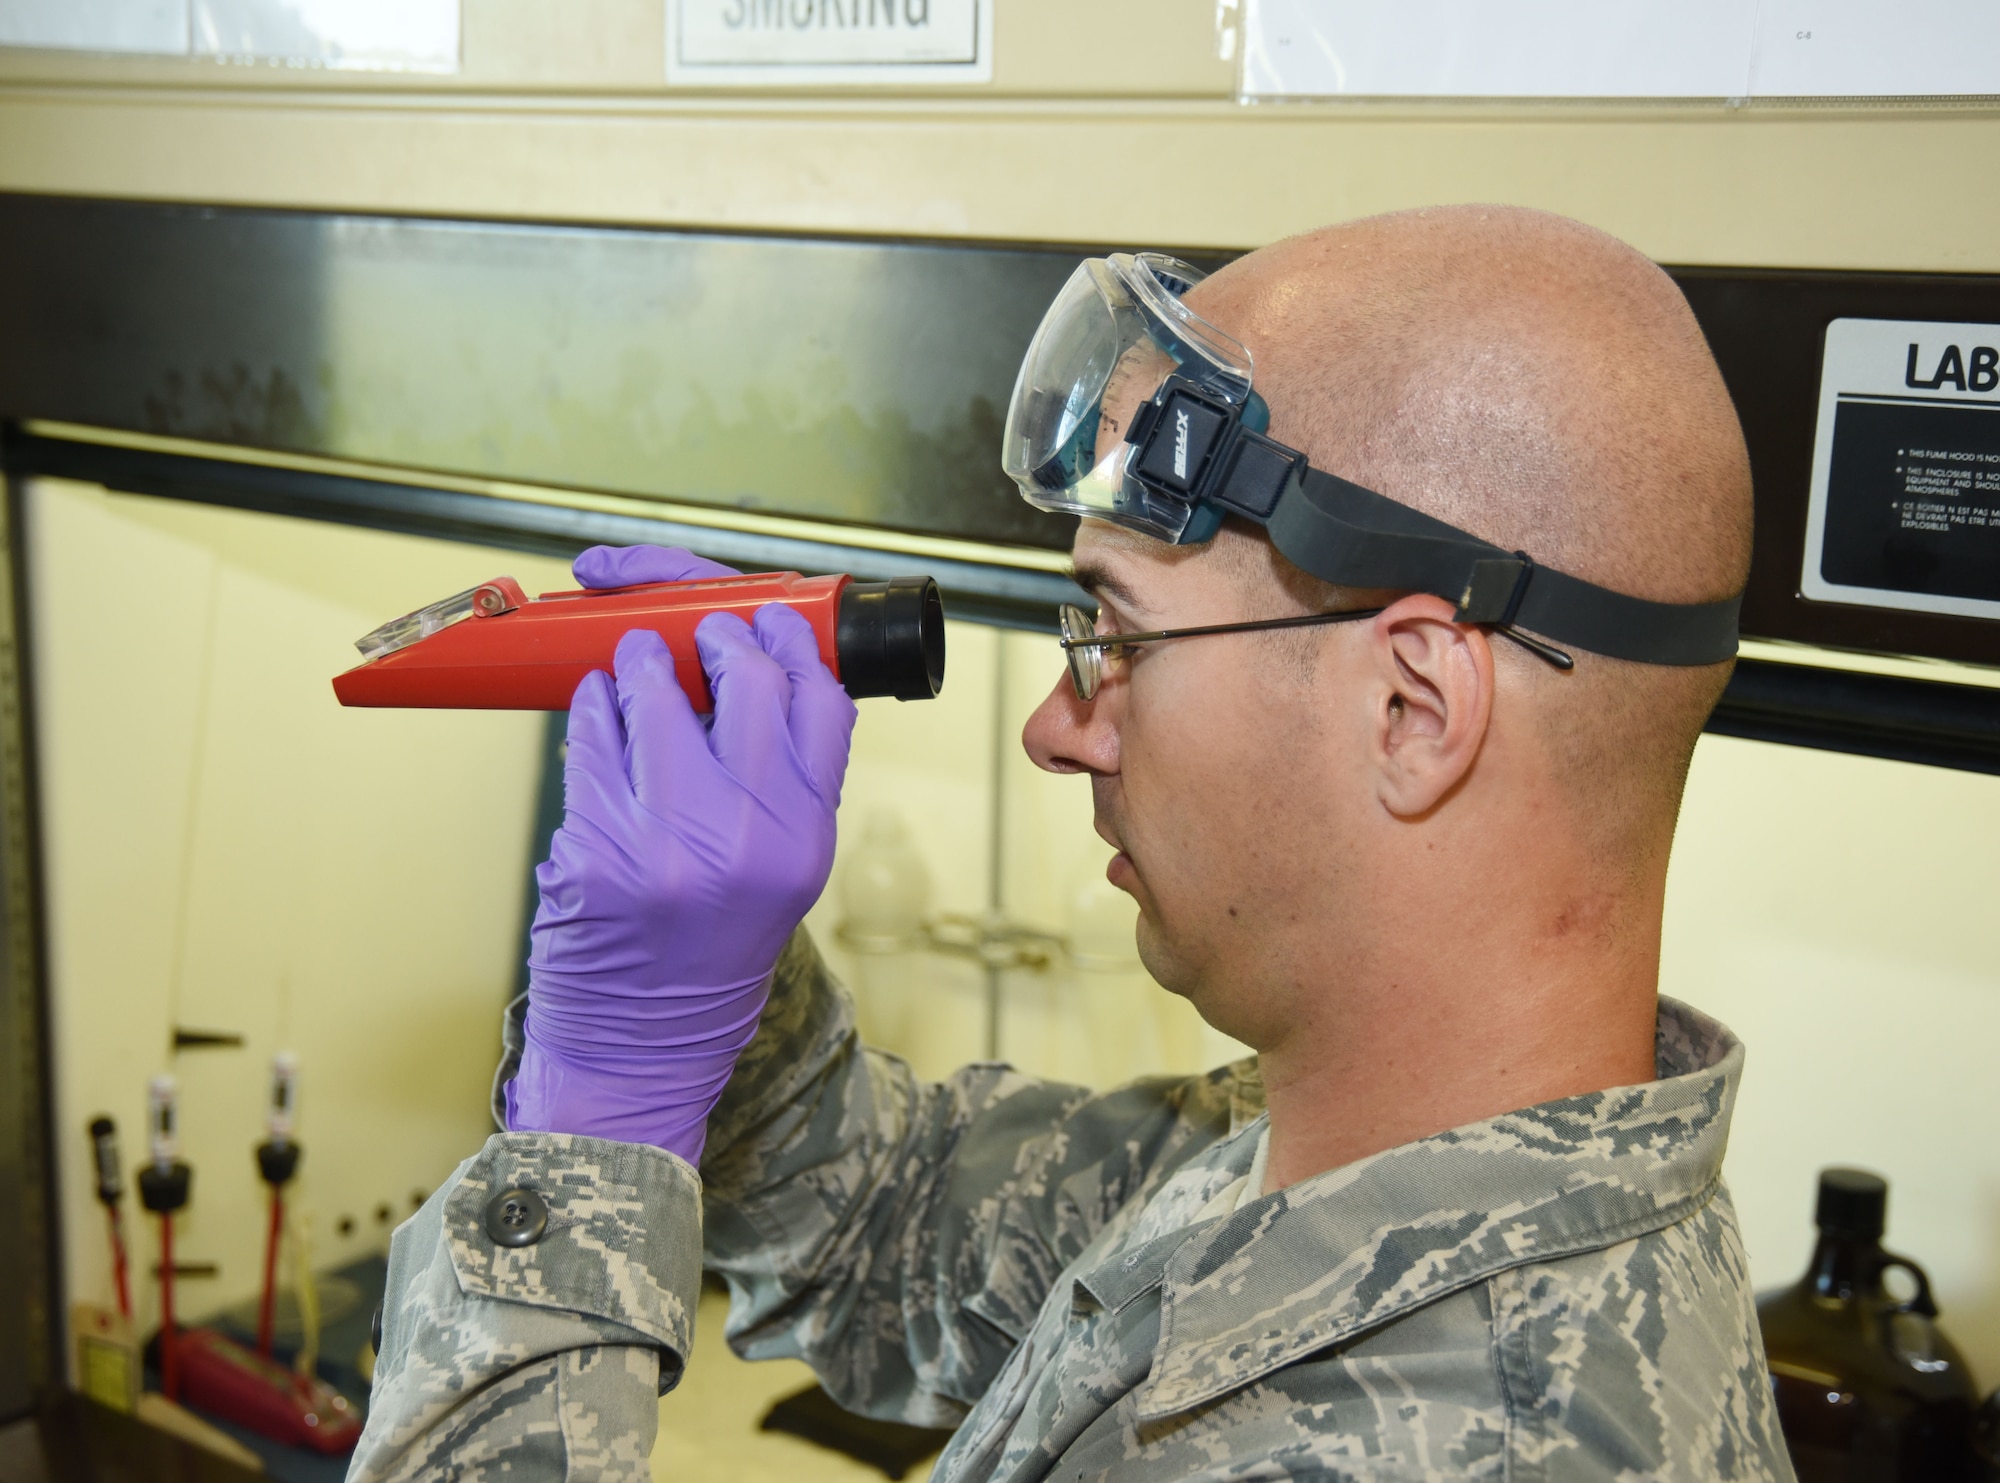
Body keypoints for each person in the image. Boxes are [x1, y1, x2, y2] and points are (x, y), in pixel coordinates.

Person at [348, 206, 1795, 1482]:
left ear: (1414, 709)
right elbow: (886, 1230)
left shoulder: (1435, 1442)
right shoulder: (1323, 1169)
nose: (1058, 726)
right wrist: (695, 970)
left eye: (1113, 637)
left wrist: (590, 1140)